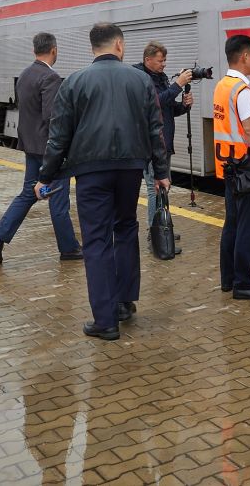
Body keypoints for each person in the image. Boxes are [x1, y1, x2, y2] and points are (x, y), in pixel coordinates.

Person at [35, 23, 170, 341]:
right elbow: (155, 130)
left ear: (93, 47)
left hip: (90, 172)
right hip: (130, 169)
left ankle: (105, 320)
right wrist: (161, 172)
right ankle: (124, 302)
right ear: (119, 46)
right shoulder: (140, 80)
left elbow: (59, 135)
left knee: (96, 240)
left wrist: (46, 175)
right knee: (125, 229)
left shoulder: (74, 82)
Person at [0, 32, 82, 264]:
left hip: (31, 146)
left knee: (29, 193)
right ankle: (68, 248)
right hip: (49, 150)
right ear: (54, 50)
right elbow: (51, 117)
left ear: (34, 50)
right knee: (58, 199)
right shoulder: (51, 77)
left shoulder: (26, 75)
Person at [212, 34, 250, 300]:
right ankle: (244, 284)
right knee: (249, 227)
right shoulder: (242, 90)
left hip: (229, 167)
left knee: (233, 224)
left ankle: (229, 279)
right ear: (244, 56)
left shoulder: (222, 86)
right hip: (248, 168)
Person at [133, 42, 194, 228]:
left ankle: (162, 228)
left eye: (165, 60)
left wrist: (183, 105)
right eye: (161, 60)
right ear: (148, 60)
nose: (164, 64)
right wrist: (177, 85)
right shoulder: (141, 79)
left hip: (164, 142)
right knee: (154, 187)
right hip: (151, 143)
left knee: (163, 186)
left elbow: (167, 108)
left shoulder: (161, 78)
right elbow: (154, 103)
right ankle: (155, 232)